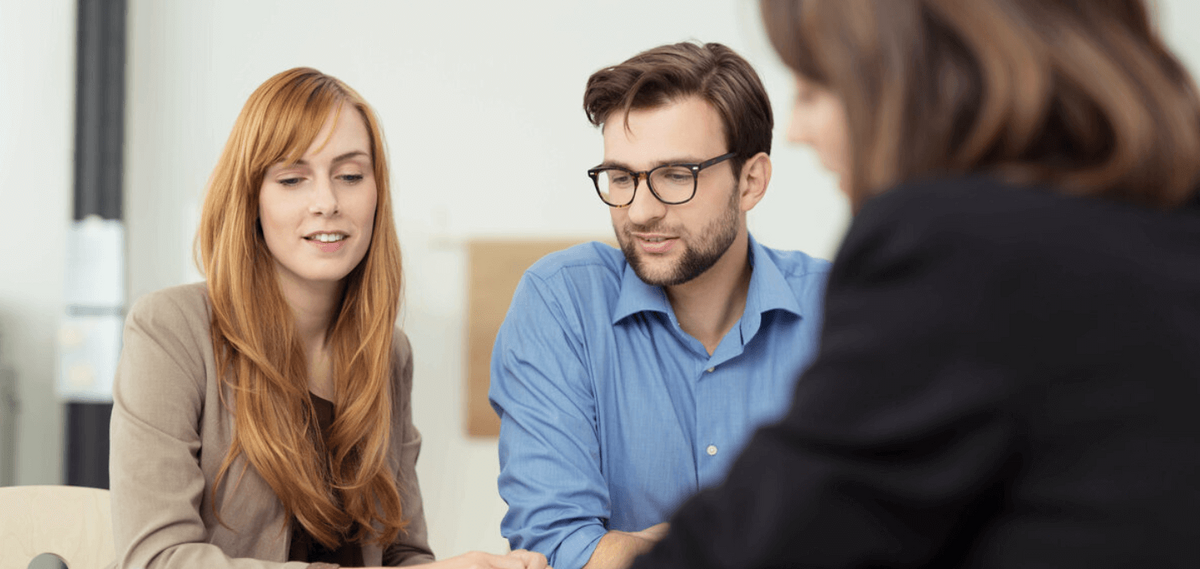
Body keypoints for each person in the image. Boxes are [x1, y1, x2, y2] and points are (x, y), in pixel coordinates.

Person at [629, 1, 1200, 568]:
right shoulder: (1167, 231)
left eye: (817, 88)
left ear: (922, 81)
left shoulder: (955, 252)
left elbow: (754, 546)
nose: (798, 130)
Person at [109, 68, 547, 569]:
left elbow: (400, 554)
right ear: (251, 198)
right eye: (292, 179)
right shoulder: (170, 330)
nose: (327, 203)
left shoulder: (387, 352)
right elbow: (156, 560)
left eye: (350, 176)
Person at [489, 42, 831, 569]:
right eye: (622, 178)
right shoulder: (561, 303)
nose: (640, 211)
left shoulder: (838, 311)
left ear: (751, 181)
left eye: (676, 175)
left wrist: (640, 549)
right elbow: (556, 550)